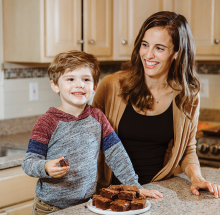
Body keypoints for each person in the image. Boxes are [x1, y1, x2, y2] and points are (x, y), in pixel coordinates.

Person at [93, 11, 220, 198]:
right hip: (111, 195)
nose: (148, 54)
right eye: (145, 45)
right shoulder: (111, 86)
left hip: (156, 193)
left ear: (176, 53)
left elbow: (187, 150)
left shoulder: (188, 96)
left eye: (159, 48)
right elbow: (88, 139)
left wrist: (196, 177)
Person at [22, 50, 163, 215]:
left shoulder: (97, 117)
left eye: (86, 79)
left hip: (86, 206)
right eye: (70, 79)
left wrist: (135, 187)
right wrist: (45, 167)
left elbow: (117, 154)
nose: (79, 84)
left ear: (95, 86)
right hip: (49, 208)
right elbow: (29, 162)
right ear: (55, 85)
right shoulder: (47, 122)